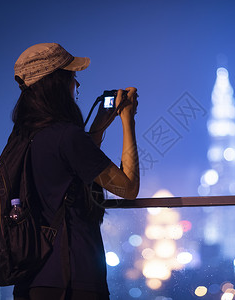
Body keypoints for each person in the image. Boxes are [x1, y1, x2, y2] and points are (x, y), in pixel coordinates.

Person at [11, 43, 139, 300]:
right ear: (56, 84)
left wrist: (97, 128)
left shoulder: (23, 136)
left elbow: (68, 171)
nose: (76, 86)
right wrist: (128, 119)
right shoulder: (66, 136)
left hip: (33, 279)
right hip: (74, 279)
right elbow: (128, 188)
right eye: (72, 77)